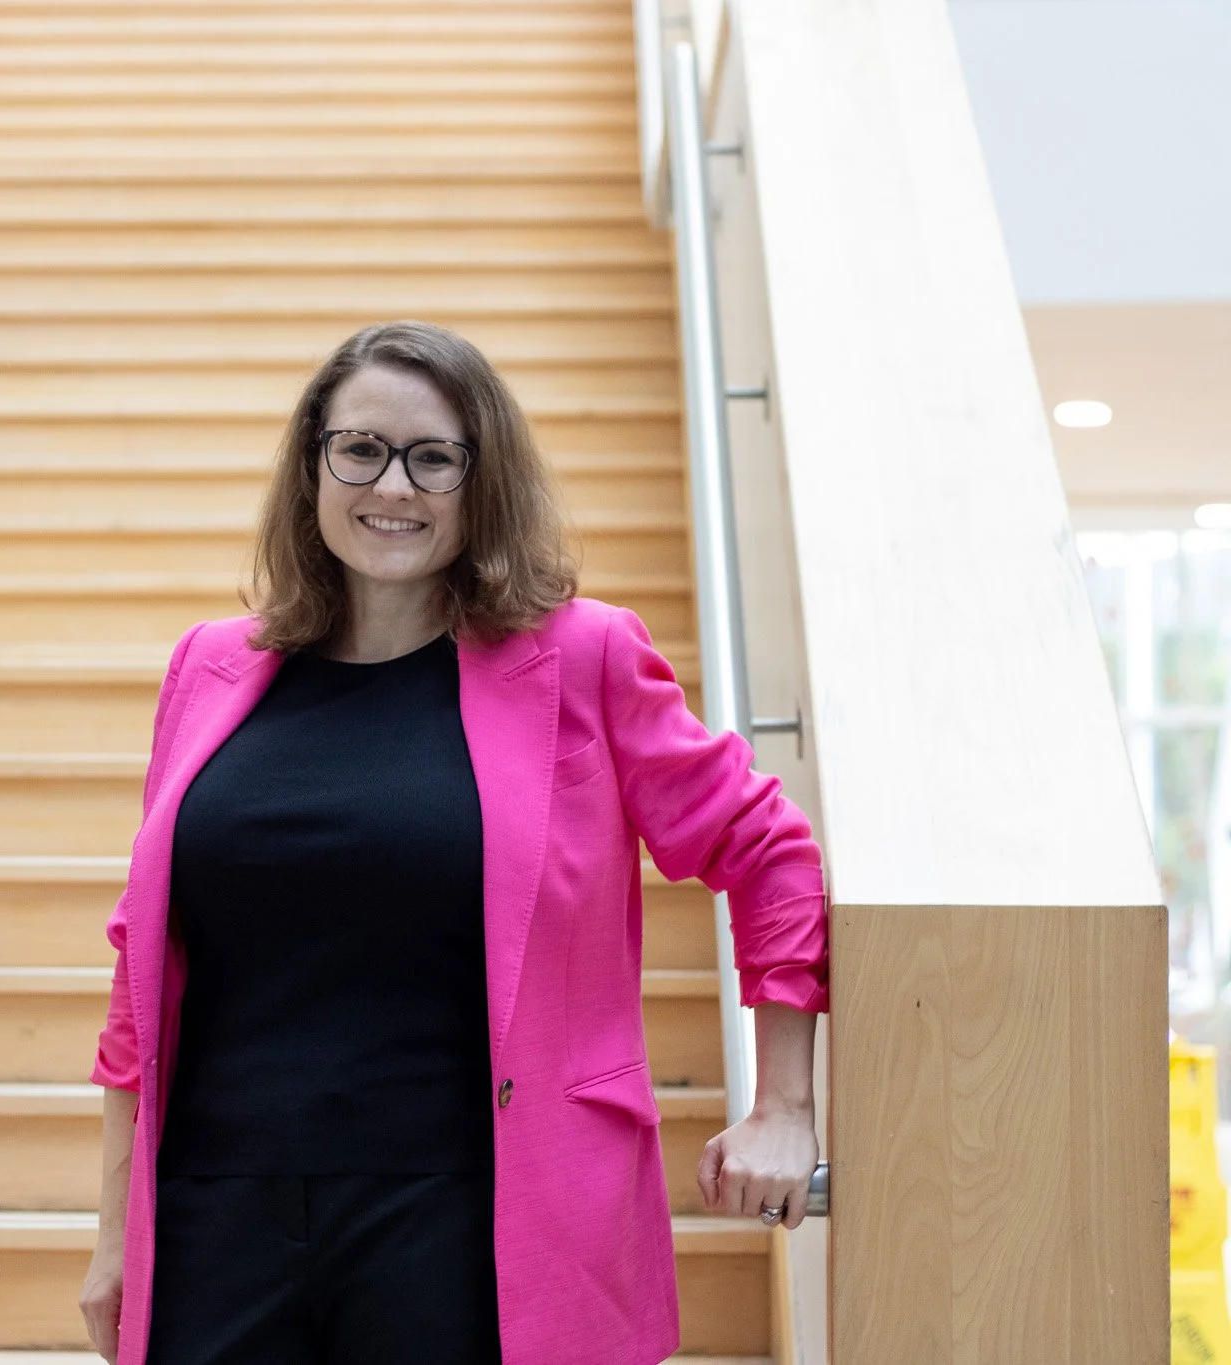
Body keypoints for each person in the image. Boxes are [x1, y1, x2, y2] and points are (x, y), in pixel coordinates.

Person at [78, 320, 828, 1365]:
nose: (393, 486)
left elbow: (764, 847)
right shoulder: (207, 670)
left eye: (433, 457)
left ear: (483, 484)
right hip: (218, 1215)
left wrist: (783, 1106)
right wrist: (117, 1234)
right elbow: (140, 971)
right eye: (360, 450)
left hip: (472, 1223)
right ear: (312, 466)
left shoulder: (583, 658)